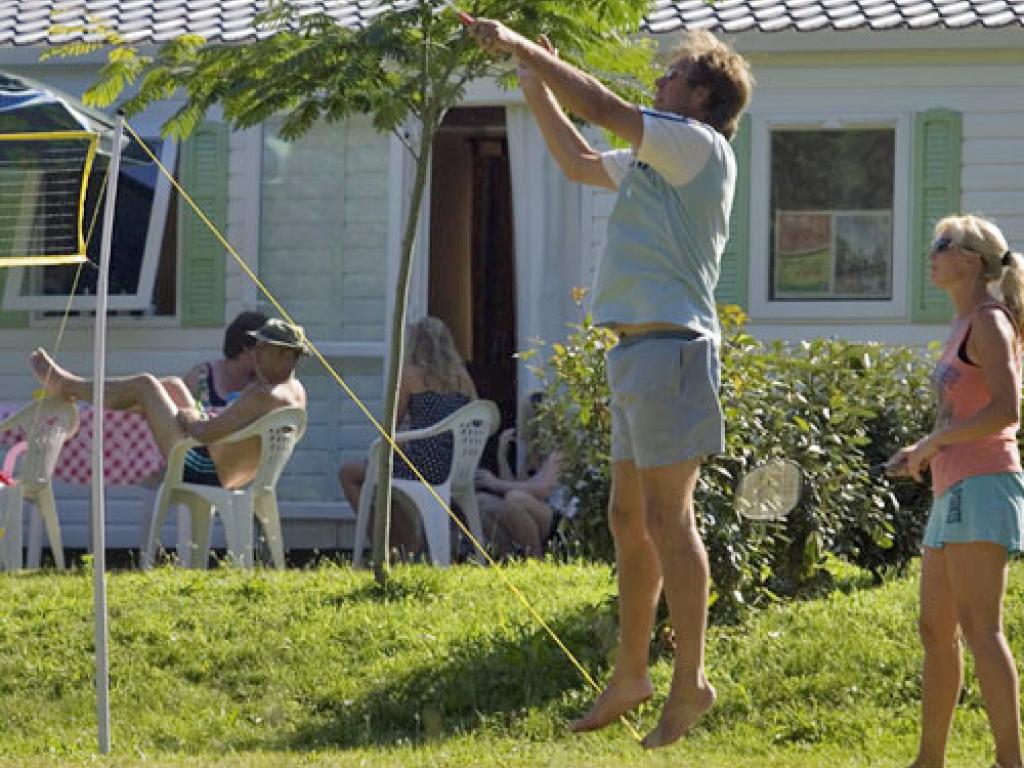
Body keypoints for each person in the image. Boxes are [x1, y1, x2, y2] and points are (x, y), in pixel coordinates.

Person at [468, 20, 753, 747]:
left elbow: (601, 106)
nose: (657, 82)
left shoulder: (697, 146)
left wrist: (517, 44)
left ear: (700, 95)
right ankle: (633, 675)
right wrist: (536, 87)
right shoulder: (662, 160)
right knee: (631, 521)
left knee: (669, 522)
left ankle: (689, 683)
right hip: (636, 354)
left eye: (671, 75)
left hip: (671, 351)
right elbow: (577, 158)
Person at [888, 215, 1024, 768]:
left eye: (941, 245)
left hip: (985, 484)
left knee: (981, 629)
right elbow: (965, 413)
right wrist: (924, 449)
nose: (932, 254)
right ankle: (930, 760)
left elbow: (1006, 411)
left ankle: (1010, 761)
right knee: (935, 629)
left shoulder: (989, 322)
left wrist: (935, 441)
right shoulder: (964, 323)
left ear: (970, 260)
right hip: (955, 486)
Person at [29, 318, 308, 490]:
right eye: (255, 347)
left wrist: (188, 418)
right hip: (231, 473)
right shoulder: (295, 393)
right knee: (172, 386)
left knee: (145, 385)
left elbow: (203, 433)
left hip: (203, 470)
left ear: (288, 357)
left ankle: (70, 386)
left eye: (264, 349)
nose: (255, 354)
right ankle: (104, 395)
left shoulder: (263, 394)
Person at [339, 316, 477, 554]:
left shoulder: (411, 376)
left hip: (424, 467)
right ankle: (407, 545)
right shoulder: (462, 377)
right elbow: (475, 417)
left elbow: (389, 426)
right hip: (456, 467)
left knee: (351, 473)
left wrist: (406, 439)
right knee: (388, 480)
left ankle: (389, 548)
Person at [182, 310, 268, 408]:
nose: (271, 355)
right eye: (266, 348)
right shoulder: (201, 377)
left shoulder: (264, 380)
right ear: (247, 347)